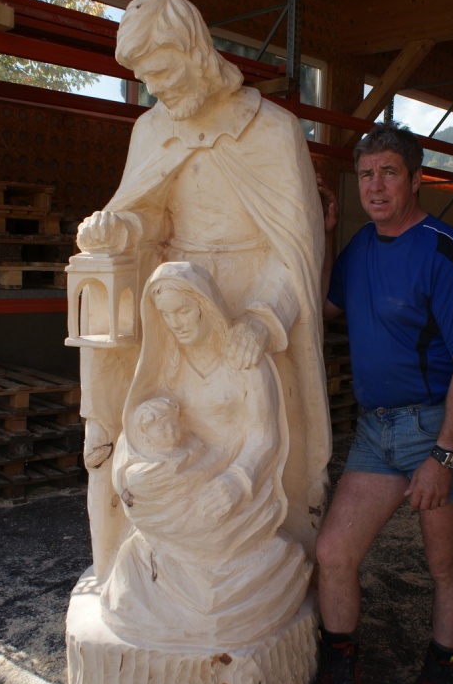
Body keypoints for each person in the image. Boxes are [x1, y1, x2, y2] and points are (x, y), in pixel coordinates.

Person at [75, 0, 331, 572]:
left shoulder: (272, 129)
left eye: (161, 71)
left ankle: (252, 558)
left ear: (194, 49)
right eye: (143, 78)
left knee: (248, 429)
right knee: (160, 429)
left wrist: (263, 320)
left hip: (250, 297)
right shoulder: (151, 129)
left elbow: (295, 247)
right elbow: (150, 215)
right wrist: (120, 228)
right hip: (173, 303)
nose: (155, 88)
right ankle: (151, 562)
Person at [294, 121, 453, 684]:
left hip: (441, 426)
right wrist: (328, 236)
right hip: (377, 430)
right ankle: (342, 675)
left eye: (388, 172)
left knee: (444, 565)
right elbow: (324, 307)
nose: (376, 186)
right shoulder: (361, 246)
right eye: (366, 175)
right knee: (333, 553)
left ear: (415, 179)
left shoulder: (444, 250)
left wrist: (444, 456)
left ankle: (441, 677)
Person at [100, 261, 311, 649]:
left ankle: (231, 589)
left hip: (236, 477)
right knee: (148, 515)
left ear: (207, 306)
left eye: (184, 311)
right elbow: (140, 421)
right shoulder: (168, 362)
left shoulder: (243, 360)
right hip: (185, 470)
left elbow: (264, 436)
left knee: (205, 527)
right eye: (166, 315)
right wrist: (132, 465)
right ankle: (160, 591)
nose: (176, 323)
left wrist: (237, 482)